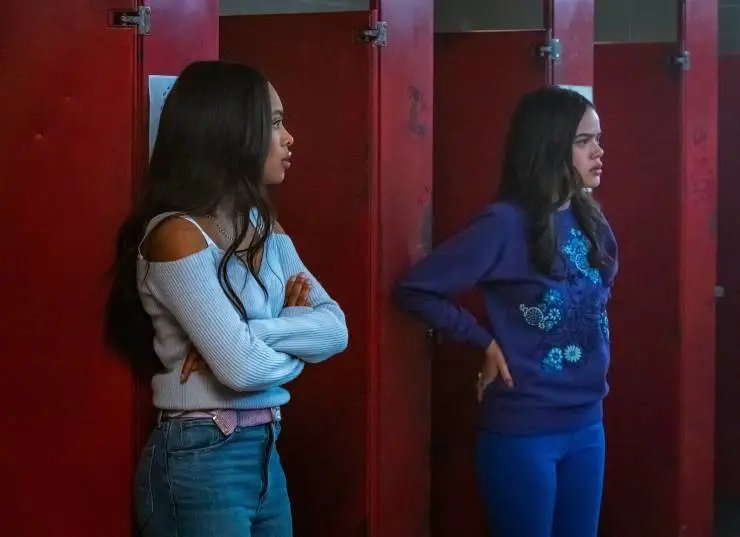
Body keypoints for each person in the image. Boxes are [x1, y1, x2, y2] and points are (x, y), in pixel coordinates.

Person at [104, 60, 348, 537]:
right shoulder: (176, 235)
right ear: (229, 133)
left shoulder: (264, 227)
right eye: (274, 123)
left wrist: (253, 332)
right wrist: (290, 337)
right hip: (200, 456)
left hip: (265, 447)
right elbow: (242, 371)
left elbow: (336, 330)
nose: (290, 138)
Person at [394, 86, 618, 537]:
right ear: (549, 146)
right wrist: (484, 340)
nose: (599, 151)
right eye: (583, 141)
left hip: (588, 420)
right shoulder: (504, 223)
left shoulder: (591, 220)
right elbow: (416, 288)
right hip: (524, 426)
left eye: (598, 139)